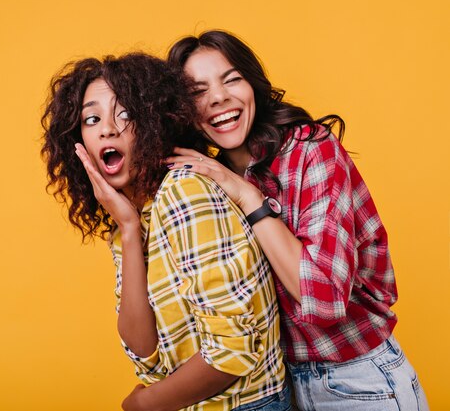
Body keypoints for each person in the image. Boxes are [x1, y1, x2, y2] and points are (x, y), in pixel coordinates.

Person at [166, 30, 429, 411]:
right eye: (197, 91)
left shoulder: (310, 149)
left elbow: (323, 300)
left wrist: (250, 198)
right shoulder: (207, 179)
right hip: (278, 388)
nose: (218, 97)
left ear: (252, 85)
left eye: (231, 79)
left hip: (359, 381)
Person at [41, 53, 290, 411]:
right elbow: (143, 349)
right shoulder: (134, 214)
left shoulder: (184, 191)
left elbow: (233, 352)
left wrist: (146, 403)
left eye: (125, 114)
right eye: (91, 118)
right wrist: (127, 231)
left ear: (154, 121)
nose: (108, 129)